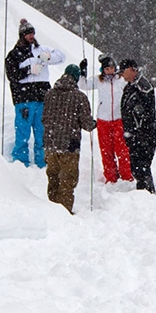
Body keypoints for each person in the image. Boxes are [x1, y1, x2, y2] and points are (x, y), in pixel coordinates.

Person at [4, 18, 65, 168]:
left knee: (42, 132)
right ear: (21, 36)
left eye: (32, 33)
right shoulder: (14, 54)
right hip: (24, 98)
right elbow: (12, 75)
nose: (31, 37)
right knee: (23, 132)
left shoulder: (41, 50)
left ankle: (43, 161)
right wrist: (29, 71)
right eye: (28, 34)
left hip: (42, 96)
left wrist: (49, 57)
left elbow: (61, 56)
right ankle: (20, 162)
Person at [41, 63, 97, 213]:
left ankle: (51, 210)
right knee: (67, 180)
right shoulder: (79, 97)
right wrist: (93, 124)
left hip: (50, 143)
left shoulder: (49, 94)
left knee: (53, 178)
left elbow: (44, 118)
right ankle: (64, 213)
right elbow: (86, 123)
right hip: (69, 145)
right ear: (76, 78)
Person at [77, 55, 134, 184]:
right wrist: (83, 73)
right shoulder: (98, 80)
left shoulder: (121, 80)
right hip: (103, 120)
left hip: (119, 119)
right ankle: (111, 177)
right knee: (106, 150)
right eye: (107, 69)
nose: (110, 71)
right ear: (103, 70)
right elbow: (83, 85)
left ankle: (126, 176)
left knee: (122, 149)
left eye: (112, 68)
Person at [119, 58, 156, 194]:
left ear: (131, 69)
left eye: (123, 71)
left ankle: (148, 192)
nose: (121, 74)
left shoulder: (143, 86)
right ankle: (142, 190)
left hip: (144, 133)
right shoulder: (129, 86)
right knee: (135, 165)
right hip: (132, 133)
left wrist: (139, 128)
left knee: (142, 165)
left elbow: (147, 112)